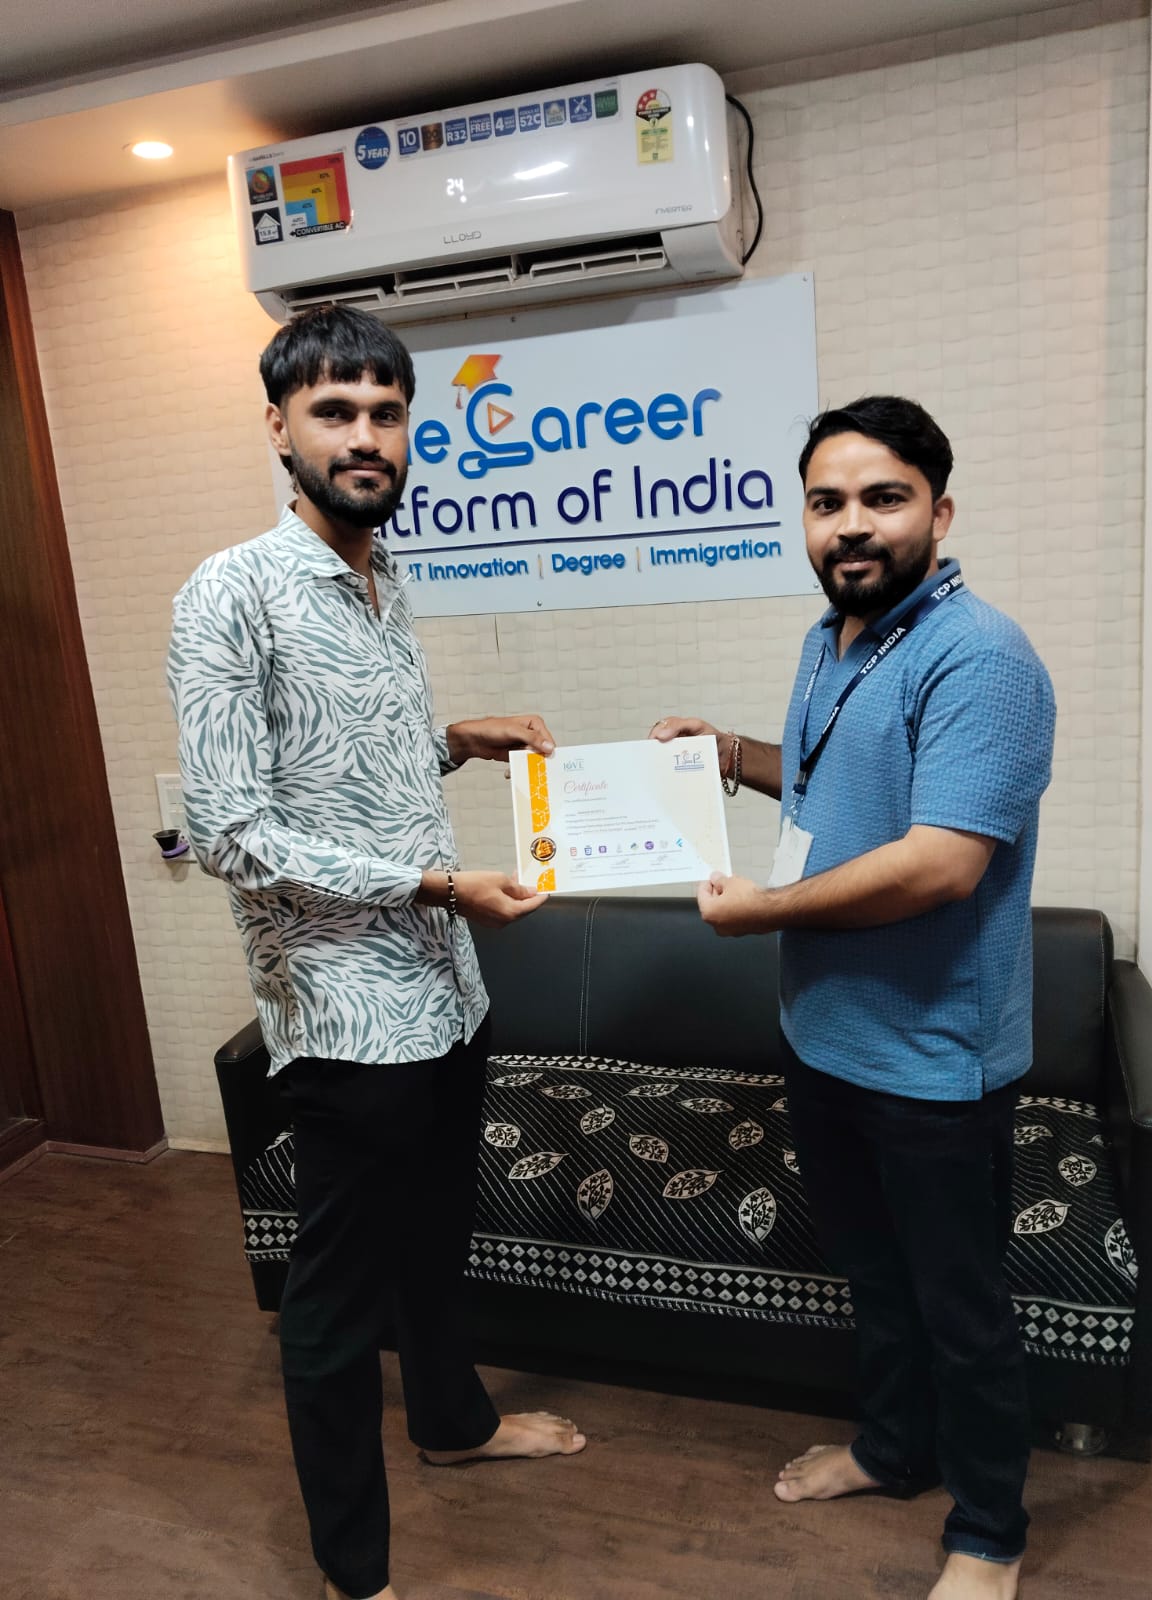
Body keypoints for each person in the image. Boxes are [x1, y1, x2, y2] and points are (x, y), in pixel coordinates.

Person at [168, 305, 586, 1600]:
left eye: (387, 412)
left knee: (435, 1237)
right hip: (348, 1020)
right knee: (336, 1305)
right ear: (279, 427)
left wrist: (456, 740)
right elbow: (232, 832)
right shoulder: (230, 592)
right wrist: (436, 883)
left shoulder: (381, 578)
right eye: (336, 411)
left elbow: (345, 774)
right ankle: (356, 1574)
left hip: (447, 993)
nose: (366, 436)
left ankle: (452, 1423)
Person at [653, 395, 1054, 1600]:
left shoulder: (981, 656)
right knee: (875, 1281)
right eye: (827, 502)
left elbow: (940, 862)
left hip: (934, 1061)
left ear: (941, 511)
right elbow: (836, 783)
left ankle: (990, 1533)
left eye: (884, 498)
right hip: (825, 1035)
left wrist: (764, 910)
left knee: (962, 1311)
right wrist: (731, 754)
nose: (852, 525)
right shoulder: (832, 637)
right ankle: (891, 1450)